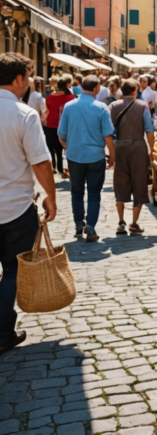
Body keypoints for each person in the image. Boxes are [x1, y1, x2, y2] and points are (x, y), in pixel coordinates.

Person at [0, 53, 57, 355]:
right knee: (11, 270)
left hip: (14, 206)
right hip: (15, 208)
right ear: (19, 78)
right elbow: (41, 163)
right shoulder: (24, 114)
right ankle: (3, 332)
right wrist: (51, 195)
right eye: (28, 77)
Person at [58, 74, 115, 243]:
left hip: (75, 157)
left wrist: (69, 148)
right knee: (94, 193)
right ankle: (90, 227)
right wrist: (112, 157)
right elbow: (108, 137)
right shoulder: (101, 108)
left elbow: (61, 134)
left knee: (76, 192)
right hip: (95, 157)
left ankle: (77, 224)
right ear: (97, 89)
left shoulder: (69, 106)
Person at [109, 80, 155, 235]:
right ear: (135, 91)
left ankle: (121, 221)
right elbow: (149, 129)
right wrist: (152, 149)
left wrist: (114, 148)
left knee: (120, 183)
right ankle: (134, 223)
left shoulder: (113, 106)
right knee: (139, 183)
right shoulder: (142, 106)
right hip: (138, 148)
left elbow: (109, 131)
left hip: (120, 148)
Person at [44, 77, 75, 178]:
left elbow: (47, 110)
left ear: (57, 86)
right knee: (61, 148)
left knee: (50, 147)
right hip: (65, 126)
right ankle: (61, 168)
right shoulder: (71, 97)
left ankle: (53, 167)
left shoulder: (49, 97)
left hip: (51, 125)